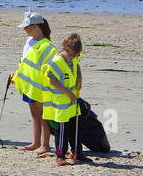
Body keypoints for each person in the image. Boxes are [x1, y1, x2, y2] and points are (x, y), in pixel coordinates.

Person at [9, 11, 56, 156]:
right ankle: (35, 142)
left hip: (40, 87)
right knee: (35, 114)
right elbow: (25, 63)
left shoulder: (47, 45)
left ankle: (45, 145)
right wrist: (16, 74)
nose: (25, 29)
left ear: (36, 26)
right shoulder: (29, 41)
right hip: (29, 85)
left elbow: (49, 67)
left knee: (44, 115)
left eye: (27, 26)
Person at [43, 33, 87, 166]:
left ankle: (77, 152)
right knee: (62, 129)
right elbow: (52, 81)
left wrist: (79, 79)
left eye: (76, 55)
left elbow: (76, 67)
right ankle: (60, 155)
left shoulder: (73, 58)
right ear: (64, 48)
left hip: (73, 100)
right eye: (71, 54)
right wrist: (68, 93)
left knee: (75, 127)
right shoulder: (56, 62)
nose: (73, 57)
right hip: (62, 100)